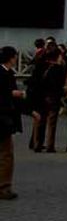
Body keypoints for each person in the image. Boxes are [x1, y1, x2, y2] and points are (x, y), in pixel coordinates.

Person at [31, 46, 66, 152]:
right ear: (57, 56)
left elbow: (34, 81)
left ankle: (37, 144)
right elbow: (60, 84)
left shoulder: (40, 66)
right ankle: (50, 145)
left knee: (40, 121)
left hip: (40, 96)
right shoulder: (59, 69)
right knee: (52, 122)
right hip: (53, 96)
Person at [0, 46, 24, 199]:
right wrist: (13, 93)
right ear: (10, 58)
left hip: (5, 117)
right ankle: (4, 186)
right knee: (6, 154)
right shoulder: (4, 74)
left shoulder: (7, 73)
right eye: (15, 56)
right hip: (2, 118)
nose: (16, 59)